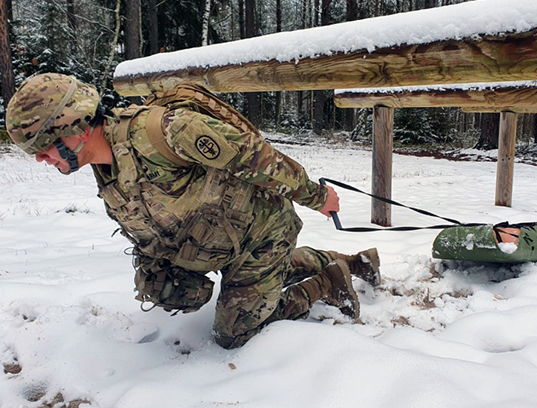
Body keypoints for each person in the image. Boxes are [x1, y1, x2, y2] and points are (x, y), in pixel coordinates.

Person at [5, 73, 381, 349]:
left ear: (77, 126)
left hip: (260, 233)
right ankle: (330, 261)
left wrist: (318, 197)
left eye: (45, 145)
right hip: (216, 240)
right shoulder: (108, 169)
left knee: (235, 334)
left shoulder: (164, 133)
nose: (41, 158)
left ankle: (328, 279)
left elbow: (258, 158)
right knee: (166, 288)